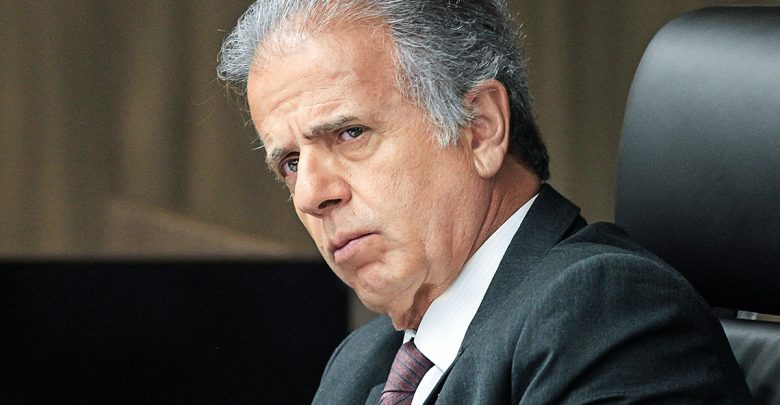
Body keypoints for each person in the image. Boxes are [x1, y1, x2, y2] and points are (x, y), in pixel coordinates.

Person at [218, 1, 753, 403]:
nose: (312, 195)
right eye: (290, 163)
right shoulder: (357, 365)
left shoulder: (604, 312)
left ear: (480, 129)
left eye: (350, 133)